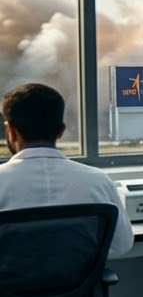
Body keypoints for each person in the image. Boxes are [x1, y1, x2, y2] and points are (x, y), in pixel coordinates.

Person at [0, 83, 134, 258]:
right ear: (61, 131)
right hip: (78, 286)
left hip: (11, 285)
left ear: (10, 131)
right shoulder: (98, 181)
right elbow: (121, 245)